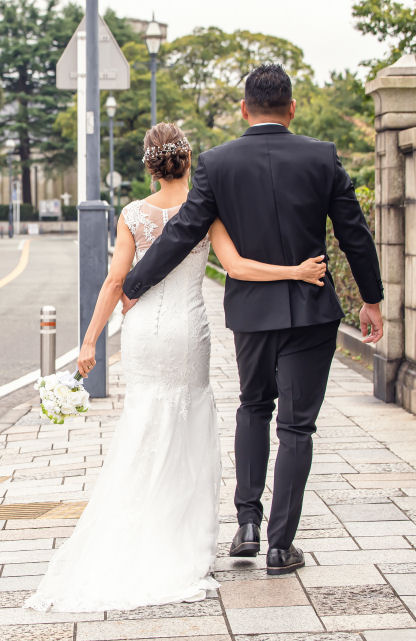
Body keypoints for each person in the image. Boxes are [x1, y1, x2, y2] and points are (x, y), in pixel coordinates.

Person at [25, 121, 330, 613]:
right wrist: (295, 271)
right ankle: (182, 538)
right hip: (188, 331)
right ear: (188, 160)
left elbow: (114, 283)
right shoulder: (206, 209)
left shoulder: (132, 215)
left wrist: (88, 345)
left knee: (144, 424)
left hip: (143, 331)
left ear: (149, 166)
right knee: (187, 424)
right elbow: (237, 267)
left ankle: (133, 529)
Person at [120, 64, 384, 578]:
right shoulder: (322, 156)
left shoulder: (217, 164)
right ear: (291, 108)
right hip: (312, 312)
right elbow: (355, 232)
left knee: (253, 407)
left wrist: (134, 285)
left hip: (251, 314)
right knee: (297, 428)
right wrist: (370, 299)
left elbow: (182, 233)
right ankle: (282, 547)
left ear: (244, 109)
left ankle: (246, 524)